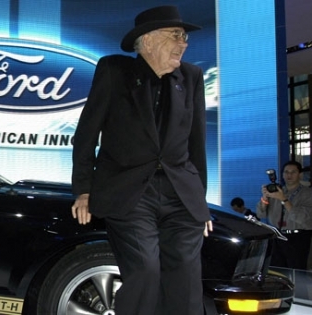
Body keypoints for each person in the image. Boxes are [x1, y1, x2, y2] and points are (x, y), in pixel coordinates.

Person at [71, 5, 212, 315]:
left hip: (180, 193)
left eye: (185, 36)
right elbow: (86, 136)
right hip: (130, 192)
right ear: (147, 40)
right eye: (176, 35)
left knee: (186, 279)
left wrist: (199, 204)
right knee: (146, 270)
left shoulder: (191, 77)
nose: (184, 43)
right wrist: (83, 189)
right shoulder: (114, 71)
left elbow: (196, 143)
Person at [256, 161, 312, 269]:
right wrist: (265, 198)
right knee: (276, 271)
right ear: (282, 175)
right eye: (286, 172)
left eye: (293, 172)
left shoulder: (308, 193)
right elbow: (261, 214)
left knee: (297, 272)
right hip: (277, 236)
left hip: (298, 238)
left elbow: (303, 218)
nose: (289, 175)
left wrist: (284, 199)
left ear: (300, 175)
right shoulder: (276, 191)